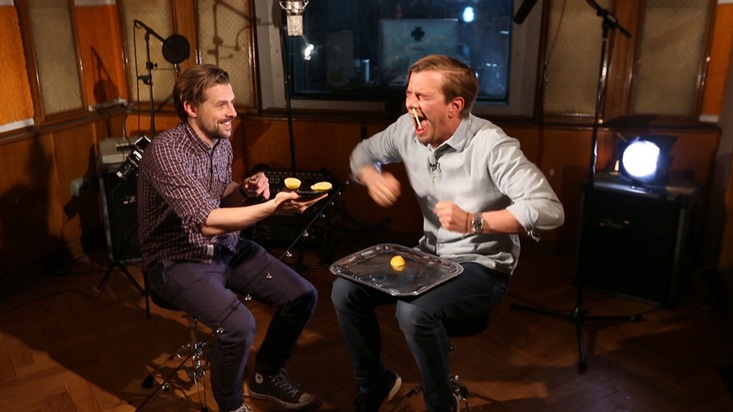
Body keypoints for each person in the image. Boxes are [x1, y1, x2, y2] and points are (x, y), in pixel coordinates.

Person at [331, 55, 565, 412]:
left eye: (422, 96)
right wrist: (371, 175)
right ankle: (374, 386)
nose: (411, 104)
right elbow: (362, 153)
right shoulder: (406, 129)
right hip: (430, 257)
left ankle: (442, 404)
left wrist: (474, 221)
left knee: (413, 312)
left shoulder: (492, 145)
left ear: (455, 106)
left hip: (483, 267)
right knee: (345, 290)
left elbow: (549, 210)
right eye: (409, 93)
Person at [137, 64, 325, 412]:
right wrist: (271, 207)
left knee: (302, 296)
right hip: (176, 259)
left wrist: (246, 189)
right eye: (221, 104)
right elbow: (206, 222)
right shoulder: (166, 152)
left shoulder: (221, 141)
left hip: (226, 248)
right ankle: (231, 406)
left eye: (232, 102)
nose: (233, 112)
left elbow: (220, 196)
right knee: (239, 326)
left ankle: (267, 376)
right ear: (191, 108)